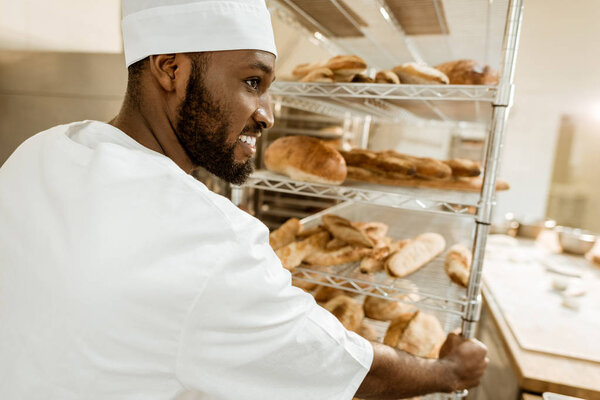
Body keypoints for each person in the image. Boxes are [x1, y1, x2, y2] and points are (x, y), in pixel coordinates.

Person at [0, 1, 488, 399]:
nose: (268, 115)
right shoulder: (207, 236)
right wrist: (448, 371)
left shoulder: (41, 150)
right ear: (170, 69)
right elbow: (346, 369)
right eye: (253, 82)